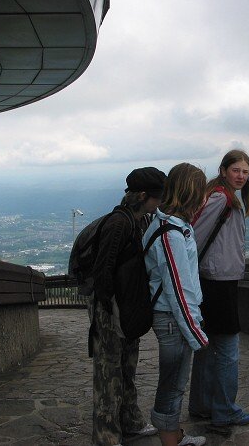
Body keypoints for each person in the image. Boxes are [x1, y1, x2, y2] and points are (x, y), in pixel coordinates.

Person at [90, 167, 165, 446]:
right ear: (143, 196)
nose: (160, 203)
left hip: (125, 306)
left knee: (126, 368)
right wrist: (111, 311)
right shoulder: (119, 224)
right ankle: (106, 437)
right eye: (157, 197)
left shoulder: (138, 220)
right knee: (109, 373)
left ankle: (130, 422)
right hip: (112, 309)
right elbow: (104, 271)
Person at [188, 150, 249, 430]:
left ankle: (202, 405)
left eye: (245, 171)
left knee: (206, 348)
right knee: (228, 350)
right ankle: (225, 410)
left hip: (213, 280)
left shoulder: (223, 196)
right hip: (217, 282)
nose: (241, 176)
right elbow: (195, 237)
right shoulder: (221, 198)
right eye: (236, 170)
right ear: (224, 170)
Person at [143, 163, 209, 446]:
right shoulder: (170, 233)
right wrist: (196, 332)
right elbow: (179, 290)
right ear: (191, 192)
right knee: (173, 385)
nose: (204, 197)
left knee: (174, 382)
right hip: (173, 320)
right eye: (202, 191)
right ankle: (171, 441)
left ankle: (174, 434)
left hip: (173, 317)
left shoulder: (173, 226)